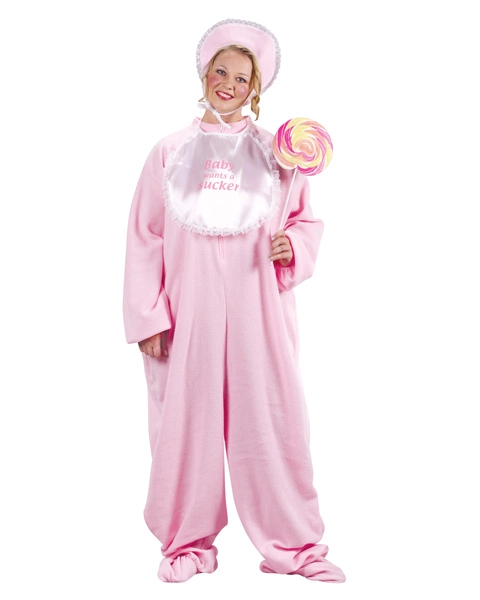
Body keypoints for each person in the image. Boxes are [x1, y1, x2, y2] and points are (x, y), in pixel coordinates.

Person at [123, 18, 345, 584]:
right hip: (187, 310)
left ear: (256, 88)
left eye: (241, 77)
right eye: (220, 72)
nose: (228, 84)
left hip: (258, 310)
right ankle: (187, 541)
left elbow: (305, 220)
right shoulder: (170, 151)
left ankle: (293, 544)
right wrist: (149, 316)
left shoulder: (277, 155)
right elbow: (145, 234)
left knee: (270, 418)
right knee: (185, 424)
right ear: (204, 75)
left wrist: (292, 246)